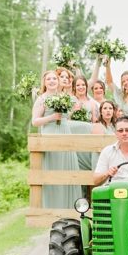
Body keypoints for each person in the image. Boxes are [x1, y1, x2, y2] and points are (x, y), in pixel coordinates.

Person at [31, 70, 81, 209]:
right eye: (49, 79)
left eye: (54, 78)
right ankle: (53, 207)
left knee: (67, 169)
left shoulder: (63, 97)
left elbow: (65, 116)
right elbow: (34, 121)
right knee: (53, 170)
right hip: (50, 135)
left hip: (65, 133)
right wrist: (52, 118)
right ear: (45, 82)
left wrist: (72, 111)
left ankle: (70, 208)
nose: (52, 81)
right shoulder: (41, 99)